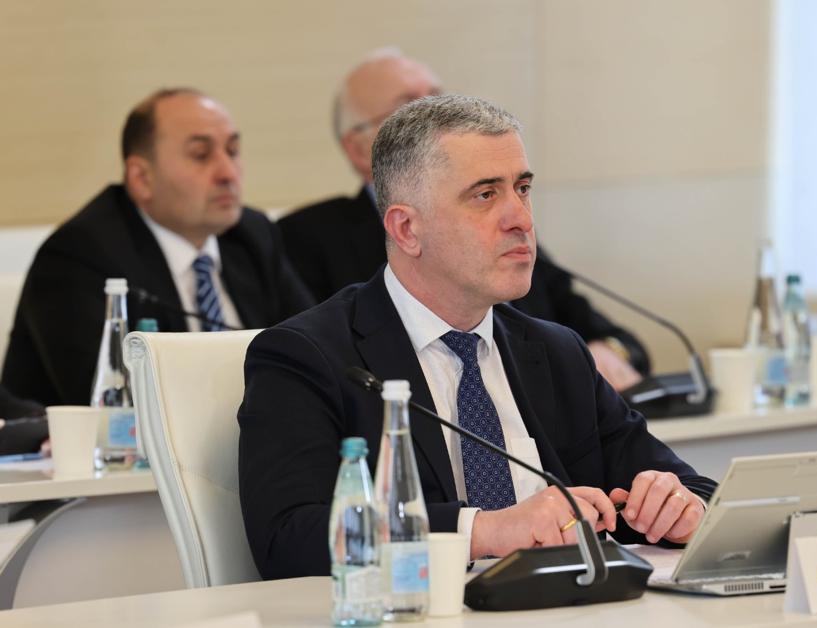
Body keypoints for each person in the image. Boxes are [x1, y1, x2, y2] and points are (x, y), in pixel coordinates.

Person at [238, 94, 717, 579]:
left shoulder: (556, 352)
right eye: (485, 195)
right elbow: (288, 538)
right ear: (407, 229)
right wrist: (485, 531)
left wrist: (683, 509)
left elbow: (696, 488)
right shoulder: (311, 357)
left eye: (523, 189)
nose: (522, 218)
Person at [278, 49, 648, 390]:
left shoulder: (509, 228)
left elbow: (616, 339)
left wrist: (606, 353)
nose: (517, 217)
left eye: (437, 101)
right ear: (359, 149)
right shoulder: (308, 237)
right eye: (409, 108)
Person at [1, 88, 314, 406]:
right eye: (201, 155)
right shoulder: (78, 255)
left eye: (232, 151)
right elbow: (111, 401)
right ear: (142, 178)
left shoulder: (253, 235)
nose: (228, 173)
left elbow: (315, 348)